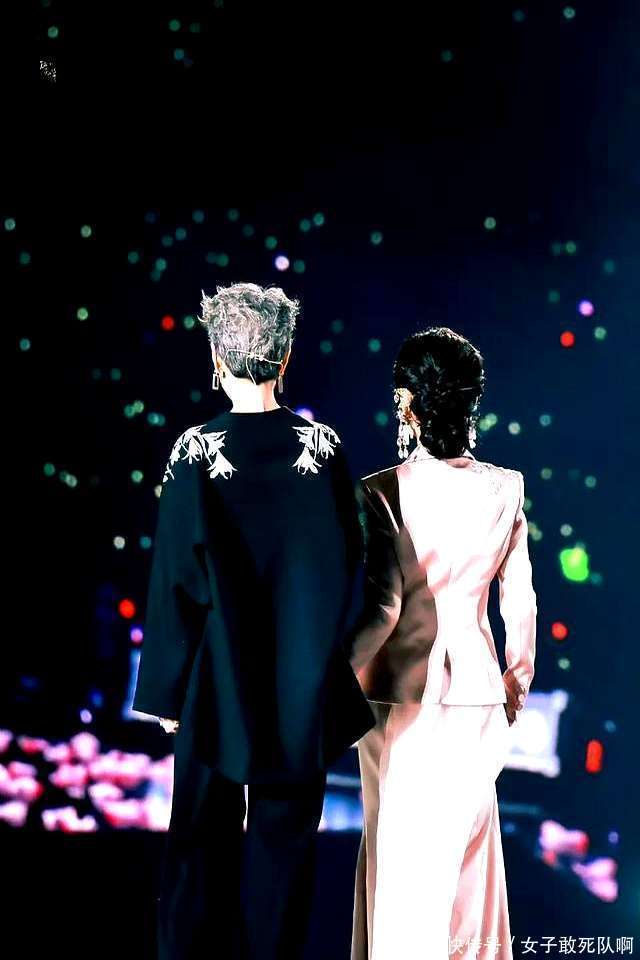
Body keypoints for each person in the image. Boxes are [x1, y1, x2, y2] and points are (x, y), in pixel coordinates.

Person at [132, 282, 374, 960]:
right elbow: (354, 564)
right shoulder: (323, 448)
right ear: (285, 356)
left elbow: (175, 576)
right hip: (303, 679)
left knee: (196, 848)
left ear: (217, 357)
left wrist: (167, 691)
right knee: (284, 853)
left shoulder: (195, 450)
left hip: (215, 678)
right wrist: (332, 657)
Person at [349, 328, 537, 960]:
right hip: (480, 698)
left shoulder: (383, 491)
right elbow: (520, 599)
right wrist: (516, 678)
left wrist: (333, 677)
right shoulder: (505, 488)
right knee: (468, 868)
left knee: (401, 868)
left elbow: (383, 610)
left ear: (407, 403)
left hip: (401, 699)